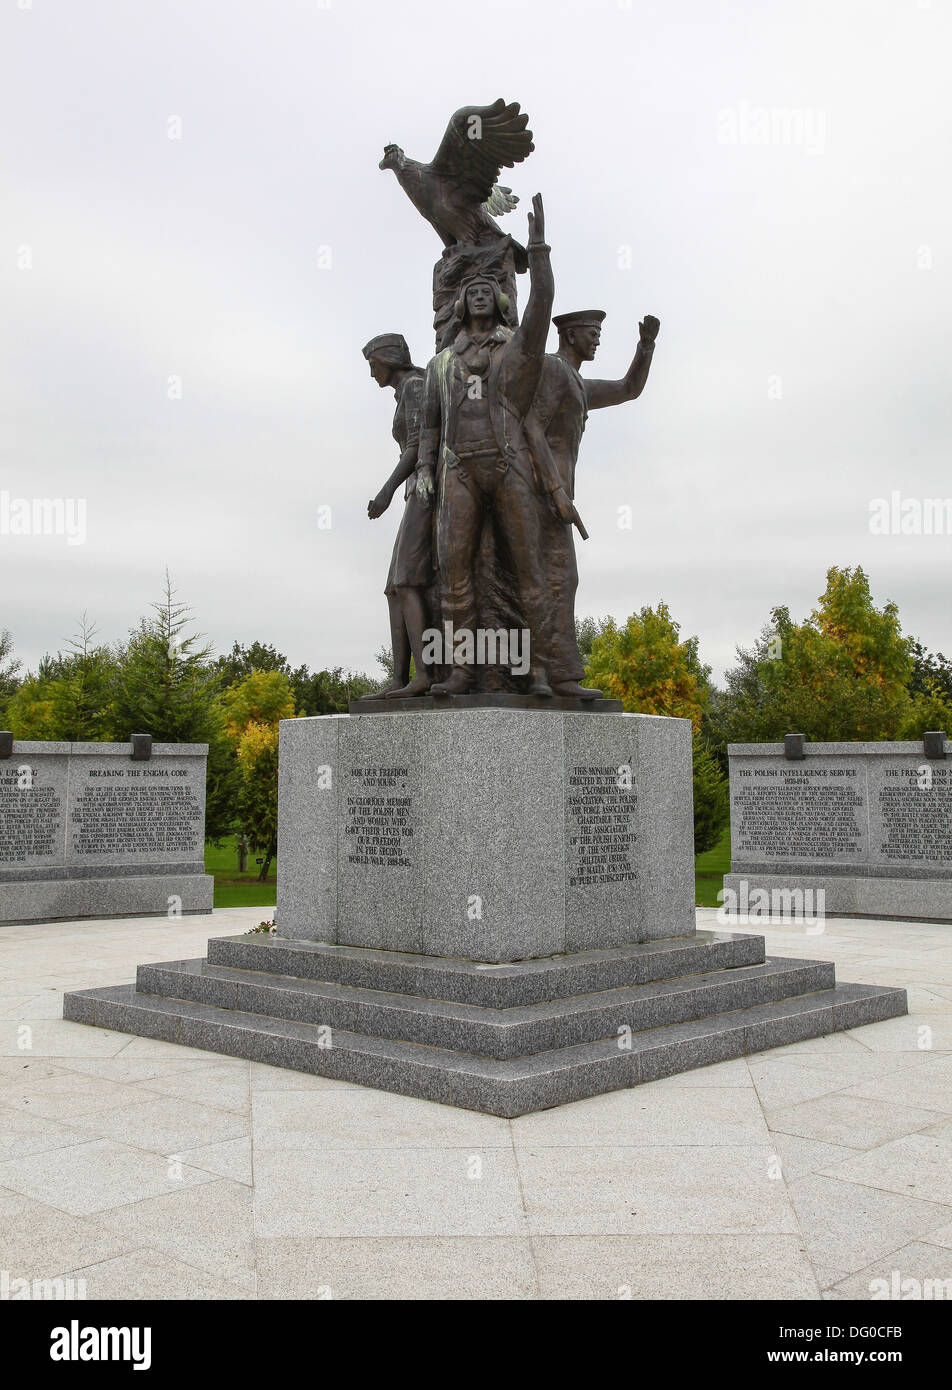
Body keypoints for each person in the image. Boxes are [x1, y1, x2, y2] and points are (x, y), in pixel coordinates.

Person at [415, 195, 563, 696]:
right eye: (471, 291)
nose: (479, 295)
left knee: (530, 569)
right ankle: (459, 670)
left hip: (507, 466)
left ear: (499, 300)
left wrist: (537, 250)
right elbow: (431, 423)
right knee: (454, 576)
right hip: (458, 470)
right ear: (460, 303)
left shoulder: (516, 350)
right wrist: (425, 470)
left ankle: (538, 670)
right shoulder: (441, 363)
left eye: (487, 289)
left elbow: (541, 307)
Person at [530, 309, 661, 697]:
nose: (598, 339)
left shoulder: (577, 383)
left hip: (558, 497)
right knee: (556, 579)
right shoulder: (552, 370)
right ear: (570, 335)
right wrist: (553, 489)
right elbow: (532, 427)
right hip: (542, 495)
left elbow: (627, 389)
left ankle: (555, 674)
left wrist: (646, 347)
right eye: (592, 332)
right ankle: (552, 675)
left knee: (559, 580)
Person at [362, 333, 433, 698]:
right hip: (413, 491)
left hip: (425, 488)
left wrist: (386, 490)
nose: (372, 372)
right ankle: (399, 679)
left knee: (406, 581)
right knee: (394, 588)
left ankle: (423, 674)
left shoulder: (415, 386)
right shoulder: (404, 390)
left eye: (374, 364)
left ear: (389, 359)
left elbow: (418, 444)